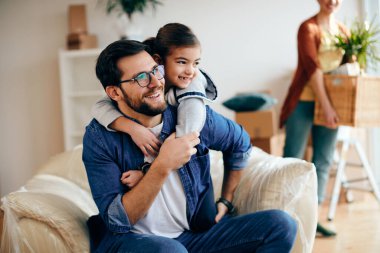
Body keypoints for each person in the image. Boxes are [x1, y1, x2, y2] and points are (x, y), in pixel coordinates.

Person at [83, 39, 297, 252]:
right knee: (170, 251)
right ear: (114, 93)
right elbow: (117, 222)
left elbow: (240, 142)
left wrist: (227, 200)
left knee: (281, 225)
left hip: (195, 236)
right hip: (137, 241)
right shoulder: (100, 138)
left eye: (156, 70)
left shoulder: (190, 115)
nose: (156, 82)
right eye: (141, 78)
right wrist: (162, 165)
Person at [92, 23, 217, 188]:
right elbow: (99, 106)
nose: (191, 71)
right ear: (158, 61)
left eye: (196, 63)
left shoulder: (192, 86)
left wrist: (147, 172)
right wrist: (132, 128)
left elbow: (181, 145)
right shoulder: (98, 138)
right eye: (182, 62)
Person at [280, 0, 349, 237]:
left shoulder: (343, 31)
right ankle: (284, 218)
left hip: (333, 104)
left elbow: (348, 68)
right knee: (293, 159)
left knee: (323, 160)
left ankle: (312, 218)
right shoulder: (307, 28)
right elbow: (313, 69)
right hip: (305, 100)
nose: (332, 1)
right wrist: (327, 106)